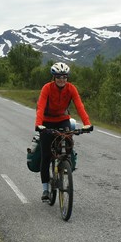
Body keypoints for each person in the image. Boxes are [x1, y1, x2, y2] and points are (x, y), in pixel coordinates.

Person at [35, 62, 92, 201]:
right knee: (46, 156)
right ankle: (45, 189)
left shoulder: (71, 89)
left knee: (68, 145)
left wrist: (87, 123)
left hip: (63, 119)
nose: (62, 79)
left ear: (67, 77)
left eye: (64, 77)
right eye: (59, 77)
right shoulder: (47, 88)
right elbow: (40, 107)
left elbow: (79, 106)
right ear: (54, 77)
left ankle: (66, 166)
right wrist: (39, 125)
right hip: (47, 121)